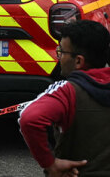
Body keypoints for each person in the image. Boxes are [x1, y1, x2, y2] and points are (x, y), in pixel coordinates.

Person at [19, 20, 110, 177]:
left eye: (61, 52)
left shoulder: (66, 92)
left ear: (78, 61)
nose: (59, 58)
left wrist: (50, 164)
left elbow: (29, 119)